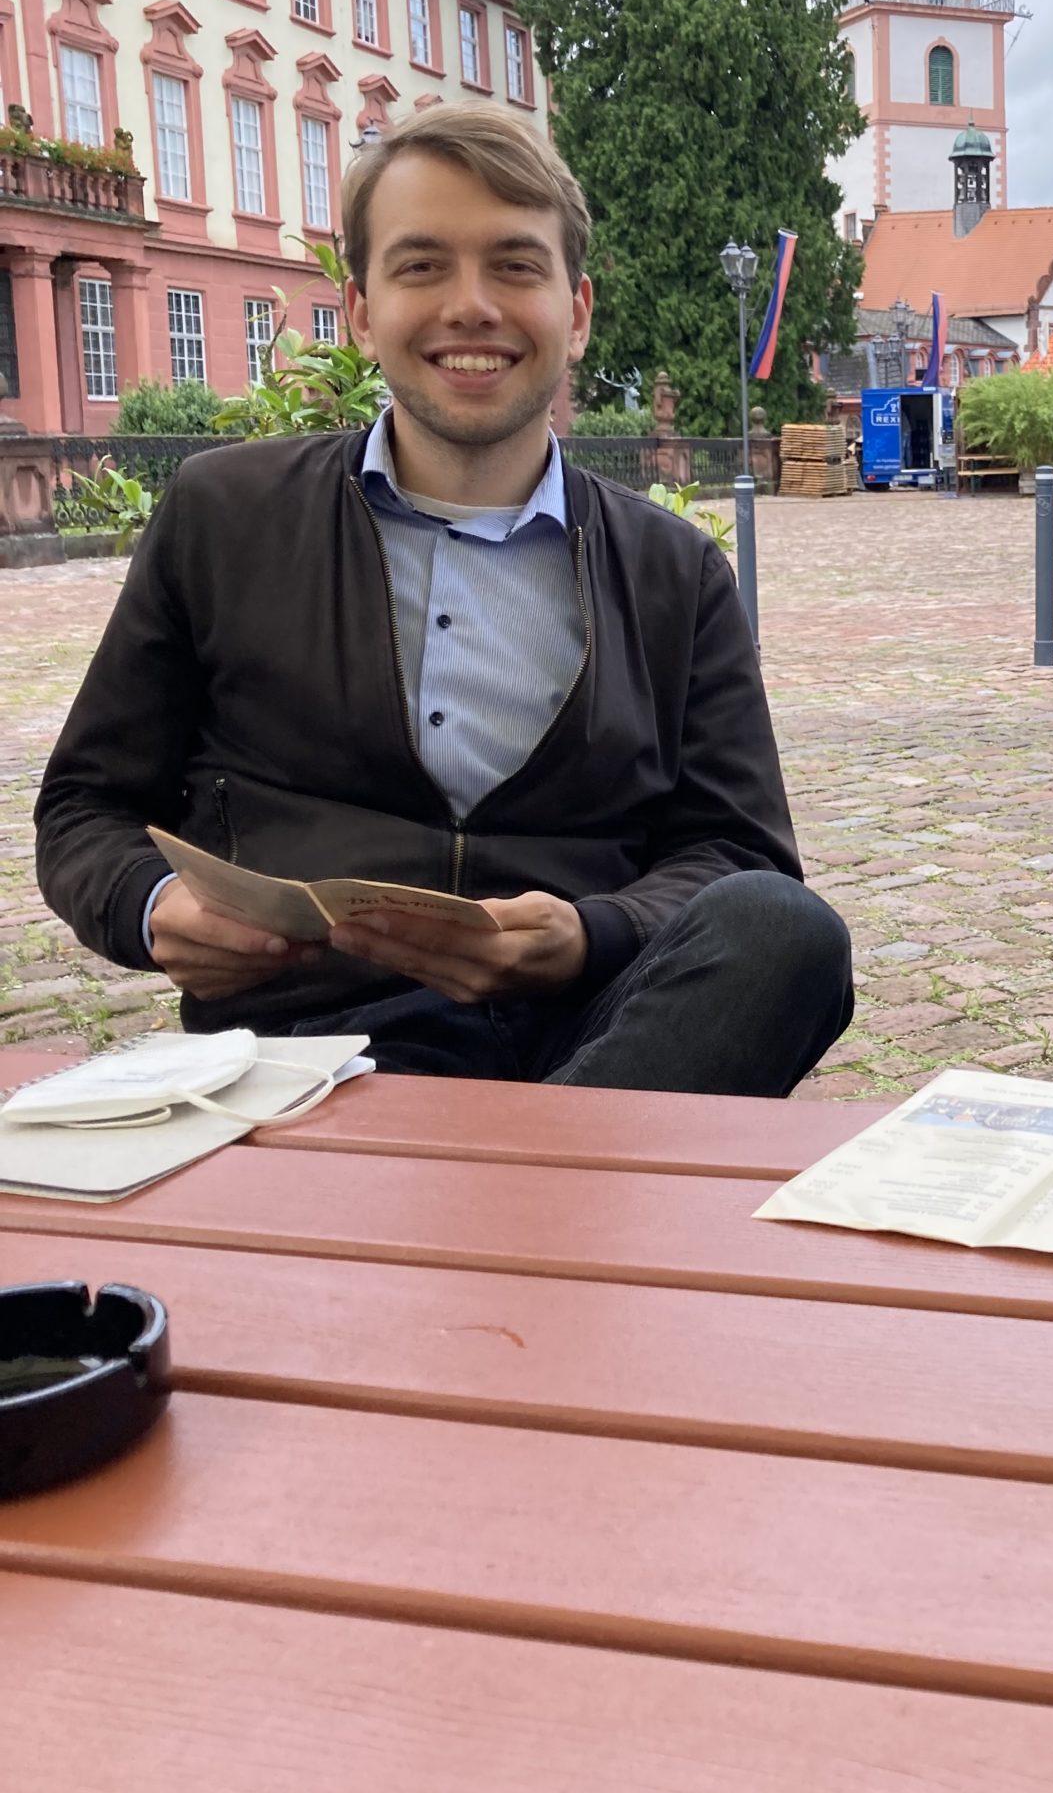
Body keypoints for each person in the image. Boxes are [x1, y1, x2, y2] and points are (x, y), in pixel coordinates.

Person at [36, 104, 853, 1092]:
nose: (472, 306)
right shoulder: (225, 518)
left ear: (577, 311)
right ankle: (548, 1203)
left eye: (515, 264)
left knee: (788, 933)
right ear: (362, 311)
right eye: (423, 265)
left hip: (598, 1029)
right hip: (314, 1037)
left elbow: (736, 852)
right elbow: (86, 807)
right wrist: (153, 904)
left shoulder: (674, 572)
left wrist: (590, 933)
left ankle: (493, 1191)